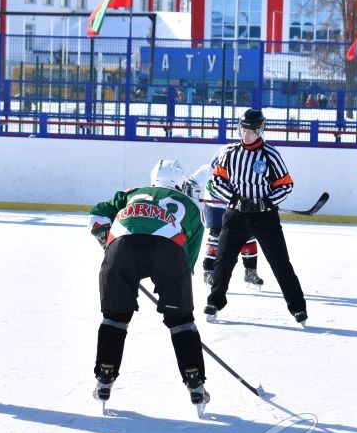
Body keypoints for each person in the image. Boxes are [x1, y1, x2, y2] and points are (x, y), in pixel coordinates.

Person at [88, 159, 209, 407]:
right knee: (182, 322)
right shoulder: (190, 205)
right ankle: (195, 383)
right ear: (180, 183)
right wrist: (179, 288)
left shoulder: (132, 193)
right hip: (169, 251)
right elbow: (190, 255)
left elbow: (98, 213)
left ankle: (104, 378)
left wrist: (106, 240)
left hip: (122, 247)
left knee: (114, 318)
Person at [204, 108, 307, 326]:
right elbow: (216, 182)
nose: (247, 134)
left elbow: (285, 184)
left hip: (265, 218)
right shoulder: (229, 152)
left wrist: (265, 202)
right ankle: (214, 302)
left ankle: (298, 307)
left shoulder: (271, 155)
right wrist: (234, 200)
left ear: (260, 130)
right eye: (243, 129)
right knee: (223, 260)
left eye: (252, 130)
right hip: (235, 216)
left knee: (280, 263)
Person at [185, 155, 264, 289]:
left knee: (248, 235)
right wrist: (191, 192)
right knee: (216, 236)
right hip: (215, 207)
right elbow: (190, 183)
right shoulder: (210, 169)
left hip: (237, 205)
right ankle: (209, 271)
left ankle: (250, 272)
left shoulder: (244, 168)